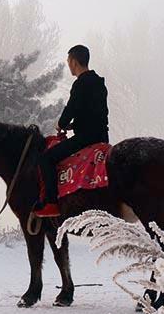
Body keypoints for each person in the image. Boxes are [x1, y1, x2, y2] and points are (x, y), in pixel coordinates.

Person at [36, 45, 109, 218]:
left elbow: (72, 108)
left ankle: (51, 203)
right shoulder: (99, 83)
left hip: (86, 138)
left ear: (74, 62)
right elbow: (94, 115)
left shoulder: (80, 84)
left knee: (46, 159)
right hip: (101, 136)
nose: (68, 64)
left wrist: (61, 124)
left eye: (69, 61)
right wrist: (74, 126)